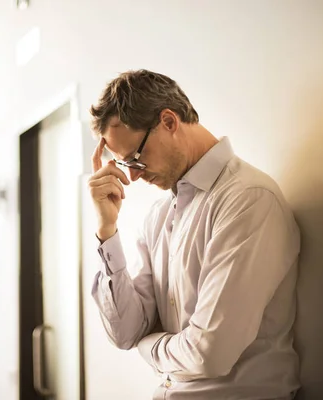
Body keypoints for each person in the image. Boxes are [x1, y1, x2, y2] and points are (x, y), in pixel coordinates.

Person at [88, 69, 300, 399]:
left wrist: (150, 346)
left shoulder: (248, 199)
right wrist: (107, 231)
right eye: (122, 163)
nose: (131, 175)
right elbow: (126, 332)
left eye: (136, 158)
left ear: (169, 122)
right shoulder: (158, 217)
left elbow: (208, 353)